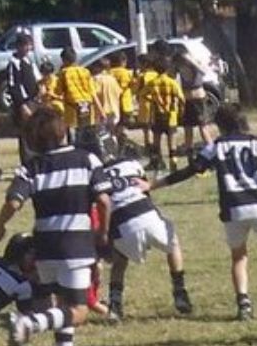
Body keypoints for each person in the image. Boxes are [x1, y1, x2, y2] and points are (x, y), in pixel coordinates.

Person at [146, 104, 257, 320]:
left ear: (220, 125)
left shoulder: (216, 147)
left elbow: (190, 170)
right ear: (243, 122)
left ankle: (244, 303)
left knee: (239, 256)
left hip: (233, 208)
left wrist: (153, 185)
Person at [0, 107, 112, 346]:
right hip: (76, 245)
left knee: (61, 305)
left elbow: (13, 202)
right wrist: (102, 232)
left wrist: (0, 227)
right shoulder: (86, 160)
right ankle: (29, 325)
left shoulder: (31, 168)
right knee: (79, 310)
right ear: (63, 131)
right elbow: (103, 200)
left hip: (44, 248)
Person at [74, 129, 193, 321]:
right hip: (147, 215)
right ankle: (179, 291)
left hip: (122, 225)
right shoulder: (132, 163)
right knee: (173, 244)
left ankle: (115, 305)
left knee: (120, 261)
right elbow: (144, 191)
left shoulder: (93, 174)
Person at [4, 34, 41, 166]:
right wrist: (22, 105)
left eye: (29, 45)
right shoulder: (13, 63)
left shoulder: (29, 61)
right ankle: (27, 163)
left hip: (35, 101)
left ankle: (37, 160)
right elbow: (14, 86)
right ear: (19, 46)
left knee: (36, 131)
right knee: (25, 134)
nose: (28, 48)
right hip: (23, 104)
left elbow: (37, 79)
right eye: (25, 45)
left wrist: (40, 90)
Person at [55, 47, 105, 141]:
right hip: (88, 105)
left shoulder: (64, 73)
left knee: (73, 131)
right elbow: (93, 93)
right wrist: (101, 110)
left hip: (72, 106)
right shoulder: (85, 71)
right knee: (87, 131)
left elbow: (58, 91)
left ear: (64, 60)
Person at [145, 56, 184, 172]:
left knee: (156, 139)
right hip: (171, 115)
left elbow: (142, 94)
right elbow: (181, 98)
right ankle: (173, 162)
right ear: (167, 69)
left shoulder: (152, 83)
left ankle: (157, 162)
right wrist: (181, 110)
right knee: (172, 141)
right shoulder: (172, 83)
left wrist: (153, 99)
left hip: (157, 115)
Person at [174, 51, 214, 164]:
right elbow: (171, 75)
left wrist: (191, 60)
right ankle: (190, 158)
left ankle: (212, 154)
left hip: (198, 98)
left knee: (203, 128)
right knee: (188, 129)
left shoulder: (195, 65)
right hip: (187, 99)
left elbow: (204, 71)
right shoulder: (179, 65)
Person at [135, 54, 158, 158]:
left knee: (146, 127)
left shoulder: (142, 76)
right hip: (155, 103)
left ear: (144, 64)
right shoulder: (156, 74)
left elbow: (136, 90)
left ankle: (147, 145)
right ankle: (155, 145)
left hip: (145, 103)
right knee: (154, 126)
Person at [91, 58, 123, 132]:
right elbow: (119, 93)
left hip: (101, 111)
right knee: (111, 133)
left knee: (102, 135)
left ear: (97, 67)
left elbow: (94, 95)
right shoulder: (112, 79)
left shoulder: (95, 79)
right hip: (114, 110)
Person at [109, 51, 134, 134]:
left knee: (114, 123)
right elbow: (125, 86)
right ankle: (121, 140)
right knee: (122, 124)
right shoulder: (124, 72)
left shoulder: (109, 72)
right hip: (124, 103)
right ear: (123, 61)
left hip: (112, 102)